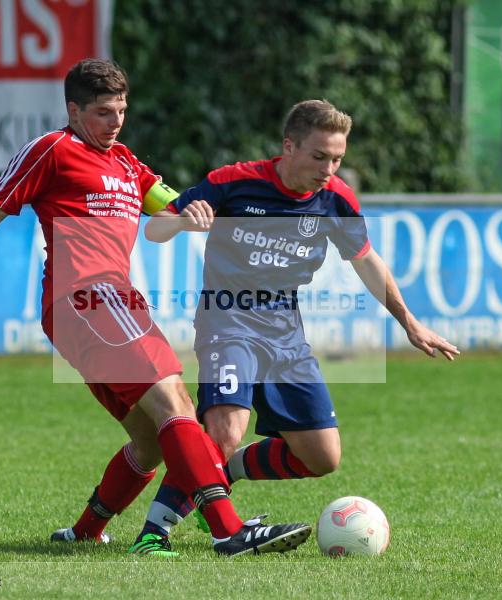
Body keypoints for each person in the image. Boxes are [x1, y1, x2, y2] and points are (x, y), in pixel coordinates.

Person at [0, 59, 311, 556]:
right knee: (178, 406)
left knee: (150, 439)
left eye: (121, 111)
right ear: (74, 109)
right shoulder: (53, 149)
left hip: (101, 306)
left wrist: (197, 213)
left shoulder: (128, 163)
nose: (116, 121)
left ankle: (85, 531)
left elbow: (169, 208)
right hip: (89, 297)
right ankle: (229, 530)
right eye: (104, 112)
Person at [130, 100, 459, 555]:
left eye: (337, 158)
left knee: (322, 456)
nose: (329, 169)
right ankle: (154, 532)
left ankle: (223, 474)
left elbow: (366, 261)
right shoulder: (235, 181)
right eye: (319, 156)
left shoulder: (336, 199)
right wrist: (185, 220)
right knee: (225, 430)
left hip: (286, 334)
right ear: (289, 146)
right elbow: (155, 230)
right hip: (228, 321)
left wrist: (410, 323)